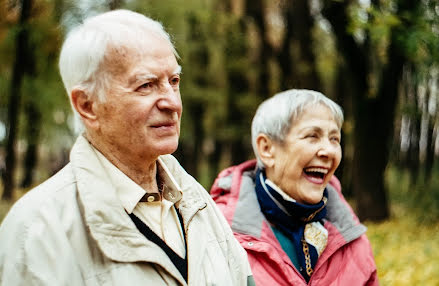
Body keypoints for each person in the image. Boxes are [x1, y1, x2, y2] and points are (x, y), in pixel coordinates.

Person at [0, 10, 254, 286]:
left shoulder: (199, 205)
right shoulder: (37, 232)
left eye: (174, 82)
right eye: (146, 85)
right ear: (87, 106)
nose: (172, 103)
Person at [210, 89, 378, 285]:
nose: (328, 151)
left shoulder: (351, 235)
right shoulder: (218, 232)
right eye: (312, 136)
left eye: (334, 139)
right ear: (267, 149)